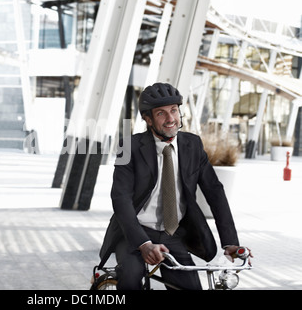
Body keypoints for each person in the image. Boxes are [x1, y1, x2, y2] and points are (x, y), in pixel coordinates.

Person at [98, 82, 252, 290]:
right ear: (147, 119)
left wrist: (230, 242)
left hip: (173, 234)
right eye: (161, 113)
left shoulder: (193, 145)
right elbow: (121, 198)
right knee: (131, 278)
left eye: (174, 110)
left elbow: (215, 192)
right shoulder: (130, 147)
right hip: (135, 232)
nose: (171, 118)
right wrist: (143, 244)